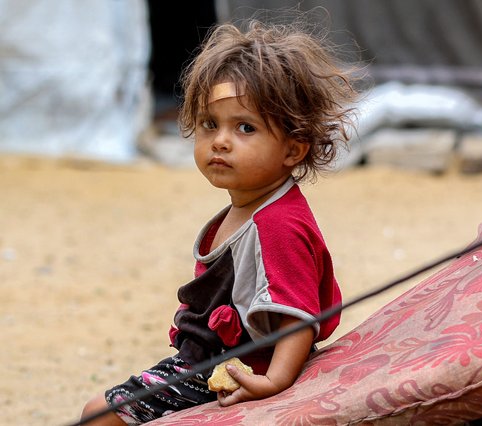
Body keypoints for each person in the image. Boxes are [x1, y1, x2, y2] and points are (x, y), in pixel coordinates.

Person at [80, 15, 360, 425]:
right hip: (205, 362)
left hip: (237, 368)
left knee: (100, 415)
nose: (221, 141)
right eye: (210, 124)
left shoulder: (277, 224)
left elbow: (298, 315)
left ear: (293, 150)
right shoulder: (248, 207)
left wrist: (275, 381)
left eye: (245, 127)